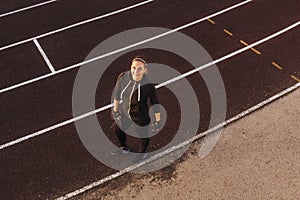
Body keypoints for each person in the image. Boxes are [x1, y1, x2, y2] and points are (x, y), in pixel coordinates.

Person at [111, 56, 161, 162]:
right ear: (131, 67)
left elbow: (155, 104)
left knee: (143, 136)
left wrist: (158, 121)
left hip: (140, 116)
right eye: (134, 68)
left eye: (139, 69)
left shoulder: (148, 86)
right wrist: (115, 111)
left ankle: (142, 153)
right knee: (117, 130)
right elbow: (117, 95)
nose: (136, 71)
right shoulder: (122, 77)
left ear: (145, 70)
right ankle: (124, 147)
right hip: (125, 113)